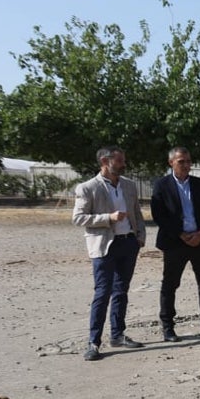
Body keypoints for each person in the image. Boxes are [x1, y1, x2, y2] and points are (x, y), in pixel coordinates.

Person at [72, 145, 147, 361]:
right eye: (120, 161)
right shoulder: (87, 188)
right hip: (104, 247)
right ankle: (94, 342)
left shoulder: (129, 186)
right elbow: (78, 218)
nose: (124, 164)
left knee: (121, 291)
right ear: (105, 162)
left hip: (128, 244)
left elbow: (137, 213)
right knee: (102, 293)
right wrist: (108, 218)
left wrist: (140, 235)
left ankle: (117, 335)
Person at [150, 146, 200, 342]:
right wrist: (180, 234)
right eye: (181, 162)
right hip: (175, 242)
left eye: (188, 161)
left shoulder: (199, 184)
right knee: (170, 284)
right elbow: (159, 215)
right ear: (171, 163)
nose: (186, 165)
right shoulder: (162, 185)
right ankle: (168, 326)